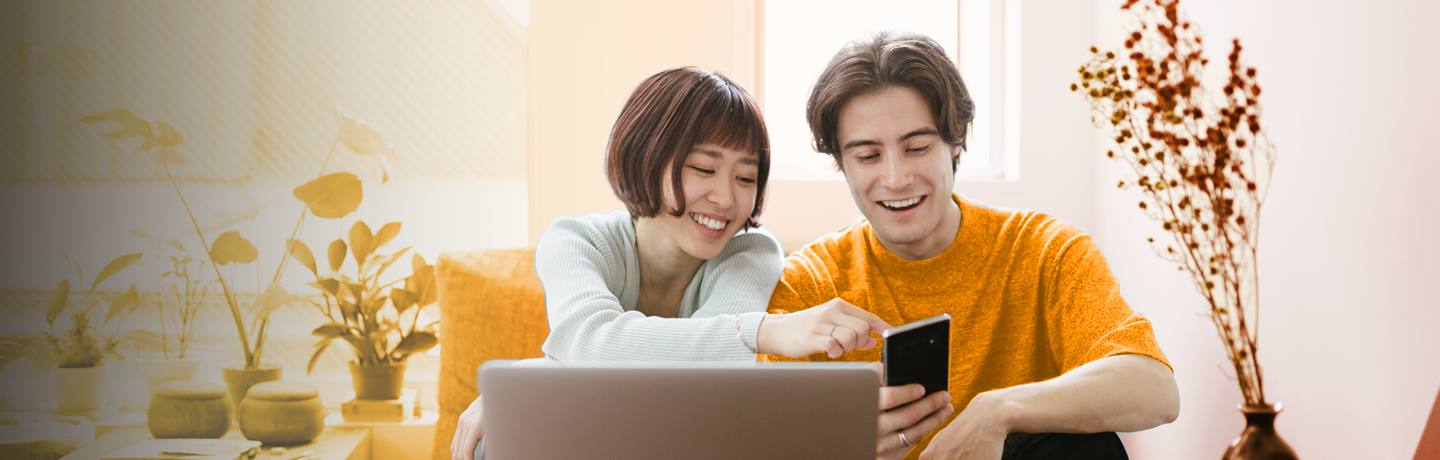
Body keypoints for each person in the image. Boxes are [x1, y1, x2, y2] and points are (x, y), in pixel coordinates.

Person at [764, 31, 1181, 460]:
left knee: (1088, 447)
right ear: (841, 162)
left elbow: (1155, 389)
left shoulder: (1044, 252)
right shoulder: (809, 284)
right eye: (868, 156)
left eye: (917, 147)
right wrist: (842, 444)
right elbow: (754, 434)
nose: (895, 178)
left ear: (956, 138)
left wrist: (997, 411)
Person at [450, 66, 894, 460]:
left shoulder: (751, 251)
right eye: (703, 168)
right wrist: (765, 330)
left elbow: (698, 383)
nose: (725, 198)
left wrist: (533, 377)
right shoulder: (575, 240)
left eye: (745, 178)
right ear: (647, 156)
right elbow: (590, 342)